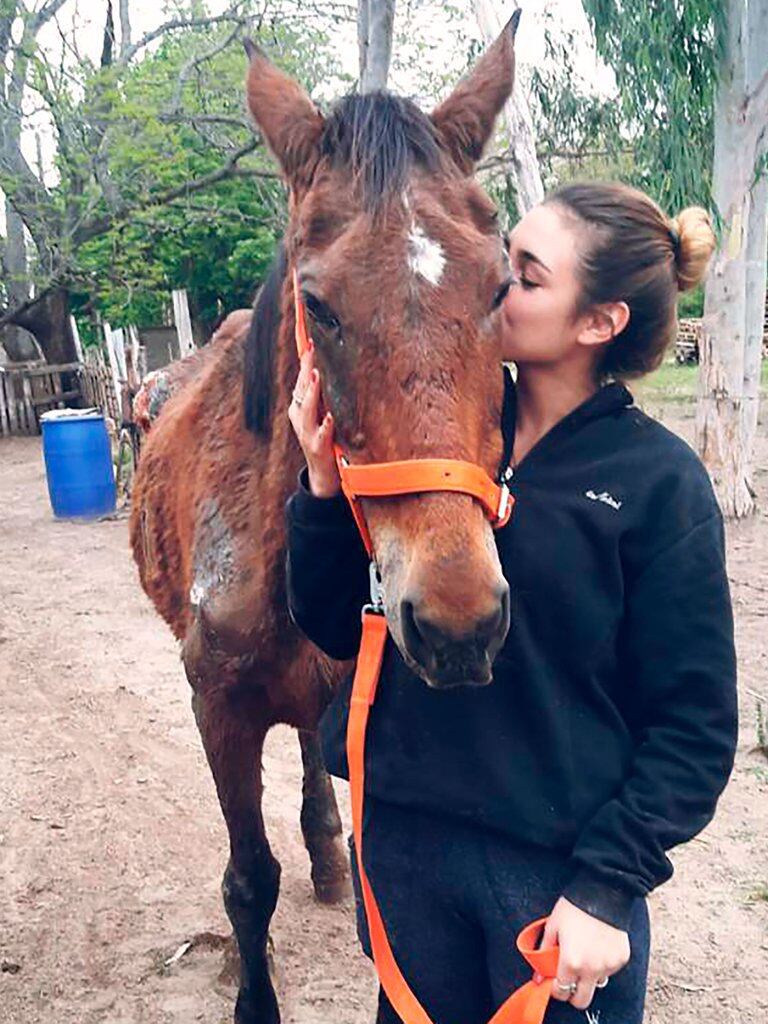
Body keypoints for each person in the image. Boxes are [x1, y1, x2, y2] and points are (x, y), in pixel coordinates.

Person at [284, 182, 738, 1024]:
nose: (492, 288)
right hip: (409, 852)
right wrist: (320, 490)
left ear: (598, 323)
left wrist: (608, 889)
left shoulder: (658, 483)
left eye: (523, 279)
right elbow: (329, 619)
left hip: (553, 880)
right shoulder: (440, 425)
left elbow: (696, 729)